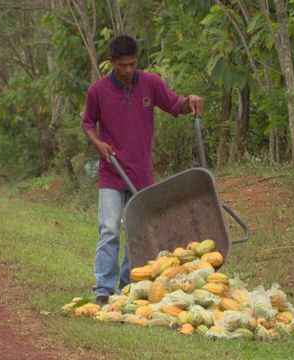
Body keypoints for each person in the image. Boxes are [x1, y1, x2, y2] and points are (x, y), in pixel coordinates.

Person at [82, 34, 204, 306]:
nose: (128, 70)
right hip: (111, 173)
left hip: (141, 175)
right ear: (111, 61)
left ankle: (128, 286)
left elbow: (176, 105)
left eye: (133, 64)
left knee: (138, 233)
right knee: (110, 230)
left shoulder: (150, 83)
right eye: (122, 65)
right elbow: (88, 123)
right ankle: (103, 289)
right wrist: (97, 143)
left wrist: (190, 101)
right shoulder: (98, 91)